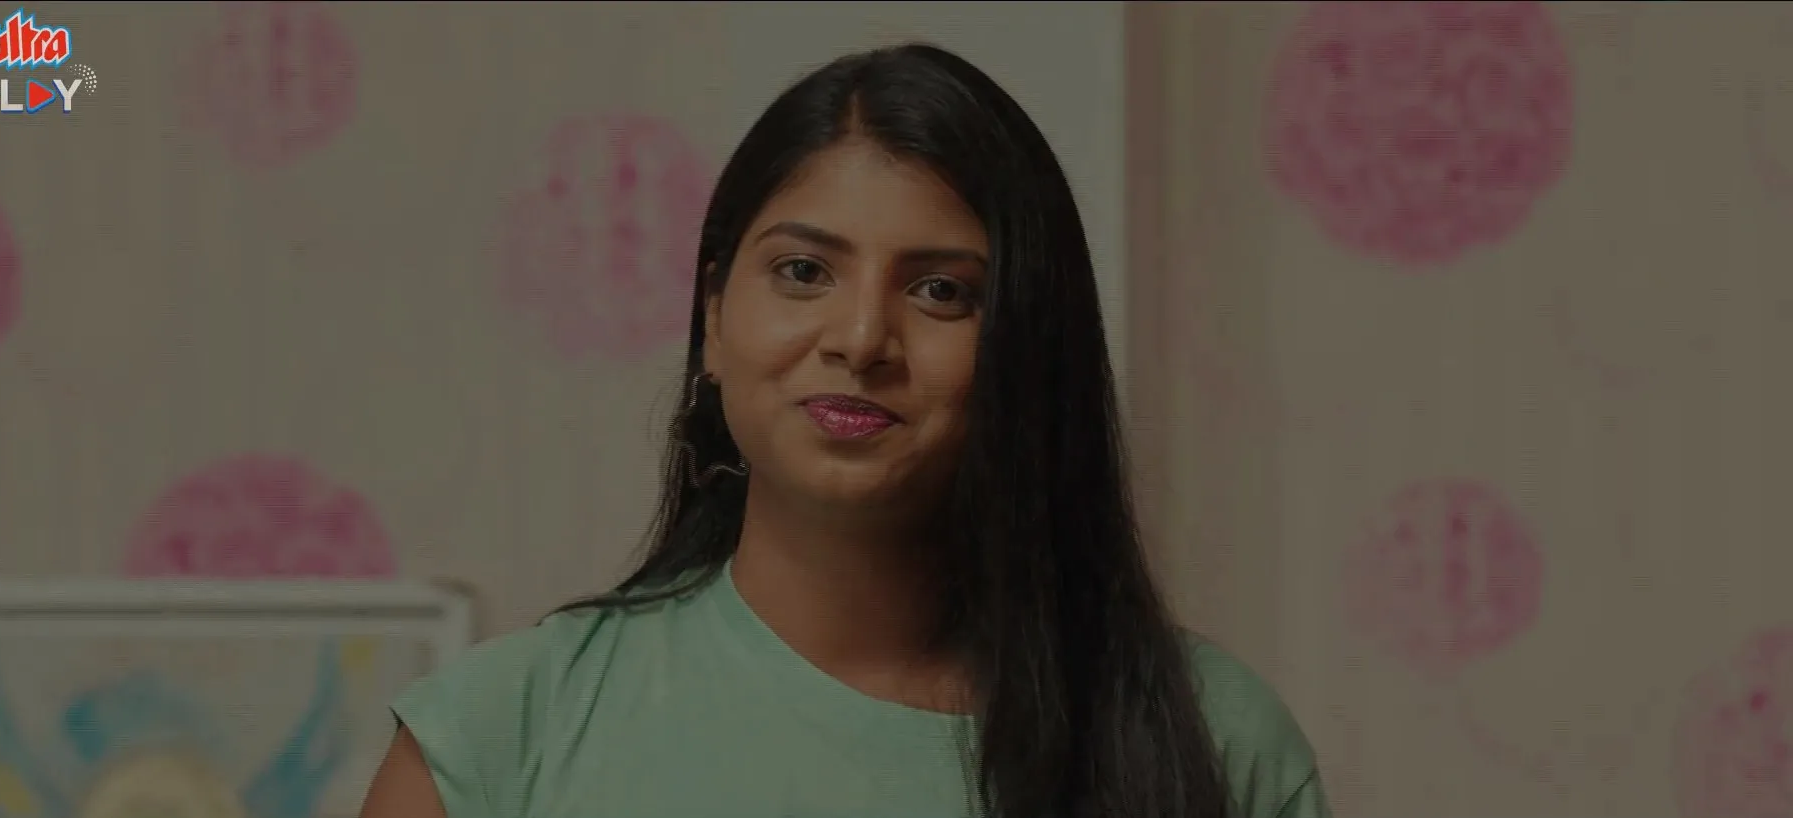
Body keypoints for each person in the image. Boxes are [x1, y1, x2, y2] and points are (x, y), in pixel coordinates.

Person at [358, 42, 1329, 818]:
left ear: (1030, 348)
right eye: (803, 272)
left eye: (940, 291)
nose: (862, 338)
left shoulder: (1217, 744)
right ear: (714, 318)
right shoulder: (496, 738)